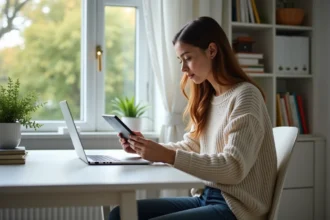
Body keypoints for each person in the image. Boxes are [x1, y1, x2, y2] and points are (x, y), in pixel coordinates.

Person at [109, 16, 277, 220]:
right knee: (120, 214)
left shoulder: (246, 96)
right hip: (206, 197)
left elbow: (233, 168)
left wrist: (165, 155)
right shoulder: (209, 98)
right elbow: (192, 146)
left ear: (212, 51)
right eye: (180, 60)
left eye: (188, 58)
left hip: (236, 208)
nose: (183, 69)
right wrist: (147, 148)